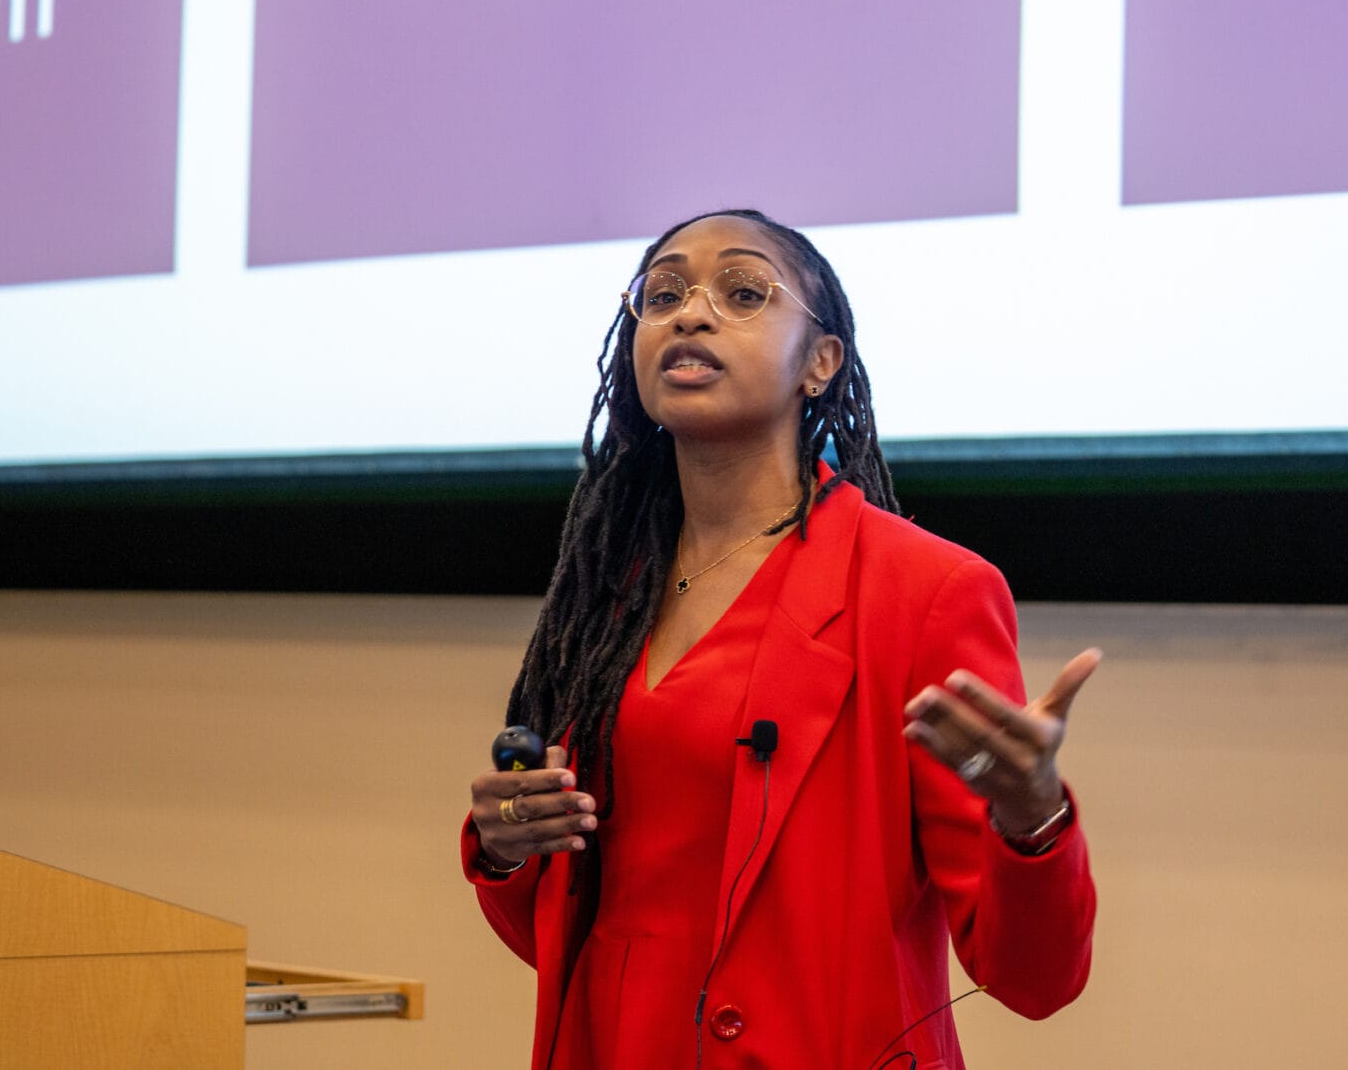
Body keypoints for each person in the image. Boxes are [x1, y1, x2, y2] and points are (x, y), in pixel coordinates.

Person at [463, 209, 1099, 1068]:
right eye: (663, 294)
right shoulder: (605, 601)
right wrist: (509, 851)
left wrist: (1033, 817)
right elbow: (581, 935)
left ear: (820, 361)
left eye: (742, 290)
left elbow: (1033, 978)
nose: (691, 313)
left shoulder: (926, 590)